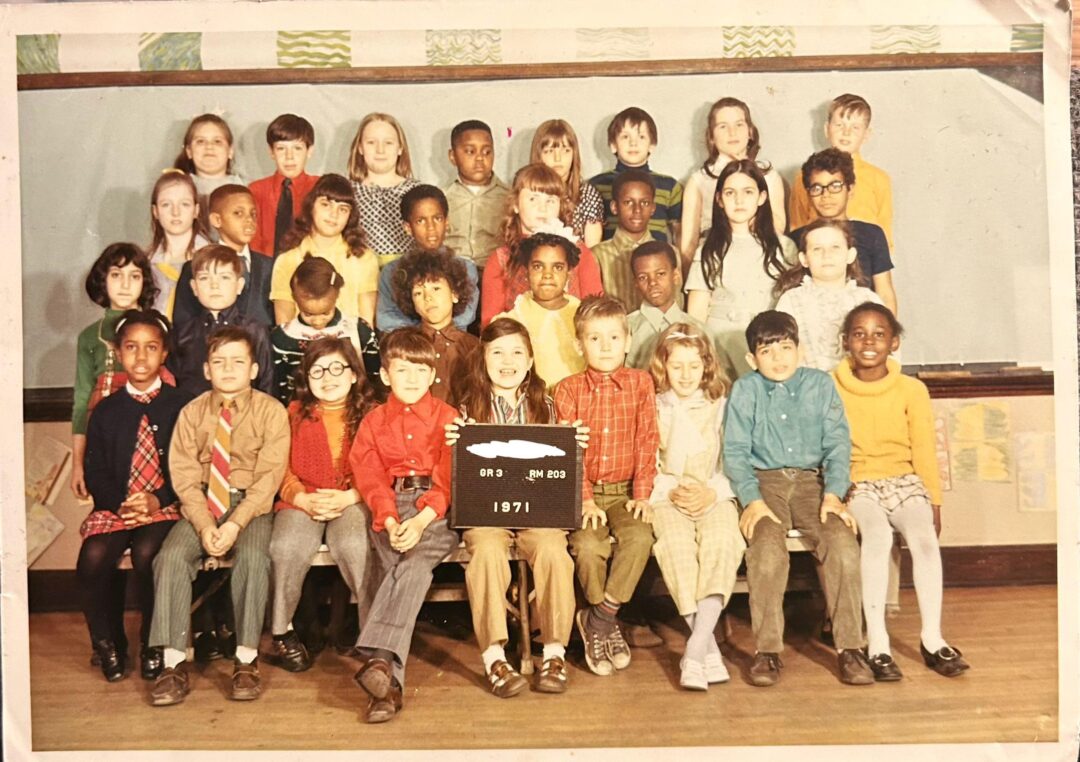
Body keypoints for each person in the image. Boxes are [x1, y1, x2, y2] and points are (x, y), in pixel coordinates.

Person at [722, 310, 872, 687]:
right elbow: (735, 452)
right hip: (765, 484)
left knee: (842, 544)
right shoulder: (745, 390)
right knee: (767, 550)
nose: (778, 359)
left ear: (800, 350)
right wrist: (752, 500)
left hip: (811, 483)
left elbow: (837, 444)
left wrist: (833, 495)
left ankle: (851, 647)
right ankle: (768, 651)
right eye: (767, 351)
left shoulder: (820, 385)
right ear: (751, 359)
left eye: (786, 348)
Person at [149, 327, 291, 706]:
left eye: (238, 362)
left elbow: (268, 480)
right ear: (206, 369)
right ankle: (173, 663)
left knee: (254, 557)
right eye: (219, 362)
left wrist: (234, 524)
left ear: (254, 369)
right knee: (170, 558)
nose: (228, 369)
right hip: (201, 504)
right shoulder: (192, 413)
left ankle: (245, 659)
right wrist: (204, 524)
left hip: (251, 507)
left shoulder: (271, 412)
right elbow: (183, 477)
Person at [445, 317, 582, 697]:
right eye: (498, 353)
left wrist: (575, 444)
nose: (508, 362)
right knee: (487, 553)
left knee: (554, 552)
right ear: (483, 359)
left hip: (537, 510)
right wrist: (452, 442)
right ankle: (494, 657)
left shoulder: (548, 406)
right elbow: (459, 471)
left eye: (517, 352)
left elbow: (560, 467)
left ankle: (554, 652)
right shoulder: (465, 409)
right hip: (487, 513)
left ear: (531, 360)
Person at [833, 302, 969, 680]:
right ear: (845, 342)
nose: (869, 342)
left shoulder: (912, 389)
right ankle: (877, 644)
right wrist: (838, 492)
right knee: (876, 538)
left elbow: (924, 448)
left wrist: (934, 501)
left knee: (924, 539)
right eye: (859, 334)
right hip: (859, 484)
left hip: (905, 481)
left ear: (894, 343)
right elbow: (829, 445)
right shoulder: (830, 386)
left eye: (879, 334)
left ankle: (932, 639)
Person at [348, 328, 461, 723]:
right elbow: (369, 475)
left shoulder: (449, 418)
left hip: (439, 512)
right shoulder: (374, 421)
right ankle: (387, 687)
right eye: (402, 369)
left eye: (420, 370)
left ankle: (380, 662)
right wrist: (391, 518)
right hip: (391, 505)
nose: (412, 378)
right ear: (385, 375)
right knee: (388, 566)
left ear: (433, 374)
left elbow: (450, 477)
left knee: (411, 566)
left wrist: (422, 519)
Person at [78, 309, 192, 682]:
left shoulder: (181, 405)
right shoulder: (106, 410)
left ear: (164, 353)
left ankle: (152, 643)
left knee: (148, 554)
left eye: (151, 348)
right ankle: (107, 643)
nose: (141, 357)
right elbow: (95, 469)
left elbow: (191, 466)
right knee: (94, 556)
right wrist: (121, 506)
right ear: (118, 352)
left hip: (166, 505)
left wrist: (158, 499)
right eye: (131, 347)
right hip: (118, 506)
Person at [554, 296, 659, 677]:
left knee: (640, 538)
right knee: (588, 546)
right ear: (579, 344)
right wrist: (584, 500)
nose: (605, 346)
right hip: (585, 495)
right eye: (594, 338)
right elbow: (568, 452)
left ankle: (599, 618)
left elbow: (647, 440)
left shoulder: (641, 383)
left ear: (628, 341)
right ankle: (604, 624)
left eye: (614, 337)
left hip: (626, 492)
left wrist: (642, 494)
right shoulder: (567, 390)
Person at [267, 337, 379, 673]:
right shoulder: (292, 414)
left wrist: (352, 496)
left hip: (353, 497)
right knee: (285, 546)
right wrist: (300, 497)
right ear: (306, 378)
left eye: (336, 368)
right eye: (317, 371)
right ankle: (282, 631)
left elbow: (381, 467)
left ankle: (372, 631)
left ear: (353, 374)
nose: (327, 378)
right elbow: (280, 467)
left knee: (355, 545)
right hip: (305, 498)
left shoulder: (372, 415)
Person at [647, 323, 744, 690]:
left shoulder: (721, 404)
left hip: (713, 491)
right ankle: (709, 651)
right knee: (676, 548)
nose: (686, 375)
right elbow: (648, 462)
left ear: (706, 366)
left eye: (694, 365)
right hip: (668, 494)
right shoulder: (654, 405)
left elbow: (734, 460)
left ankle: (695, 647)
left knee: (722, 542)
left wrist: (712, 492)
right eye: (677, 366)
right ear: (663, 366)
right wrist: (670, 489)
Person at [685, 159, 796, 377]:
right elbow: (696, 316)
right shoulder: (708, 249)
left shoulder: (784, 247)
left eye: (748, 192)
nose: (739, 200)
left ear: (762, 197)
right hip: (721, 346)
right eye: (730, 193)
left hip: (768, 346)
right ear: (719, 199)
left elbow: (794, 307)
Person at [71, 243, 160, 500]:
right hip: (103, 437)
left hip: (146, 433)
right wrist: (77, 464)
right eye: (116, 275)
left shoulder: (157, 329)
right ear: (103, 280)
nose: (125, 284)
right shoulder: (89, 337)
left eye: (134, 276)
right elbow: (81, 401)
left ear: (144, 282)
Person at [480, 163, 603, 326]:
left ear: (561, 206)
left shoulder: (580, 253)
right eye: (533, 199)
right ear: (515, 204)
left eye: (550, 200)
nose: (542, 208)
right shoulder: (500, 259)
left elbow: (595, 314)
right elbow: (490, 324)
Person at [680, 98, 786, 270]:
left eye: (739, 125)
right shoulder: (699, 181)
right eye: (723, 126)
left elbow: (778, 226)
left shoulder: (768, 176)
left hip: (759, 258)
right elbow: (689, 242)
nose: (732, 132)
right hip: (714, 259)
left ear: (750, 132)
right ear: (711, 136)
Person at [789, 148, 898, 315]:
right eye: (817, 188)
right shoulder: (797, 238)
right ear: (808, 194)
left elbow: (885, 292)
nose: (826, 195)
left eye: (835, 186)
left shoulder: (871, 234)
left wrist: (887, 328)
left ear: (850, 190)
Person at [270, 173, 379, 327]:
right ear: (311, 206)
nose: (334, 215)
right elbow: (284, 326)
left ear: (350, 216)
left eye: (343, 209)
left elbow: (366, 323)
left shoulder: (363, 258)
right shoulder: (288, 260)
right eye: (326, 205)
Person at [774, 219, 883, 371]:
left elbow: (887, 351)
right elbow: (780, 352)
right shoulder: (790, 301)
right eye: (817, 249)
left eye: (835, 247)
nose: (826, 255)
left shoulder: (868, 300)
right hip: (808, 383)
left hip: (859, 384)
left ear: (850, 255)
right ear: (804, 259)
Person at [788, 94, 894, 248]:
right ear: (827, 129)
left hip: (863, 258)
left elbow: (884, 237)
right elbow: (797, 228)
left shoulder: (878, 179)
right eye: (839, 125)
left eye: (855, 127)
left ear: (866, 134)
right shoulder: (805, 177)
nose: (846, 132)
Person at [270, 256, 380, 404]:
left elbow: (374, 379)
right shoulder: (282, 338)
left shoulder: (358, 330)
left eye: (325, 313)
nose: (317, 321)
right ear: (294, 298)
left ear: (337, 296)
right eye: (308, 314)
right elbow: (279, 387)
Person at [167, 245, 273, 396]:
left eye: (224, 277)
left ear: (239, 285)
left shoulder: (254, 331)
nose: (214, 285)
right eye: (204, 278)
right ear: (194, 287)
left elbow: (267, 383)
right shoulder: (182, 333)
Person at [376, 184, 480, 332]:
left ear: (446, 222)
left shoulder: (466, 268)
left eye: (437, 218)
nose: (431, 228)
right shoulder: (391, 272)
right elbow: (387, 320)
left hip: (452, 341)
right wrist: (422, 333)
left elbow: (464, 317)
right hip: (408, 343)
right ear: (408, 227)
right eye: (420, 221)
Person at [173, 184, 274, 329]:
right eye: (238, 213)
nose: (249, 220)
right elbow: (183, 323)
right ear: (217, 220)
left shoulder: (270, 266)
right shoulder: (194, 267)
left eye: (253, 214)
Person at [493, 233, 585, 389]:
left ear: (568, 273)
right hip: (532, 399)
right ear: (527, 272)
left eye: (557, 267)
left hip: (578, 398)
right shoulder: (513, 320)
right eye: (538, 266)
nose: (547, 275)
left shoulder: (583, 315)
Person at [625, 240, 728, 374]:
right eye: (643, 277)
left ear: (676, 276)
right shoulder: (626, 328)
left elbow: (712, 377)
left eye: (660, 274)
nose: (652, 283)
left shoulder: (699, 330)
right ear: (636, 283)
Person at [389, 250, 478, 406]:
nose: (428, 298)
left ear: (454, 294)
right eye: (418, 293)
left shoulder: (474, 347)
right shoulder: (401, 346)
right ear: (411, 303)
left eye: (436, 288)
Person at [588, 106, 683, 244]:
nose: (633, 143)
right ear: (613, 145)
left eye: (641, 137)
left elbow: (679, 232)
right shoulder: (597, 185)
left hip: (656, 256)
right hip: (613, 255)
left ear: (652, 145)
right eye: (625, 137)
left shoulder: (669, 186)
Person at [346, 112, 421, 267]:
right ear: (360, 148)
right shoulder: (347, 192)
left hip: (407, 273)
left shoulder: (417, 192)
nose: (380, 150)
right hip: (358, 273)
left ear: (400, 148)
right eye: (371, 142)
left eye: (388, 143)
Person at [248, 113, 321, 257]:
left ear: (309, 151)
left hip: (310, 263)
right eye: (281, 148)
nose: (289, 157)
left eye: (297, 148)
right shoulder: (256, 190)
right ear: (271, 152)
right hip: (264, 265)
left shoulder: (320, 188)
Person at [442, 119, 509, 269]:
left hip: (495, 271)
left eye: (487, 152)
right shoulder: (442, 198)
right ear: (452, 156)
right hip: (453, 271)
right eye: (470, 151)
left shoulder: (509, 197)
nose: (480, 158)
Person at [591, 169, 659, 310]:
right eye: (628, 202)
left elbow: (675, 307)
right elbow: (592, 308)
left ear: (653, 208)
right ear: (614, 207)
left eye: (645, 203)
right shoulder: (597, 256)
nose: (637, 210)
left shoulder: (669, 253)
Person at [530, 118, 604, 247]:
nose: (558, 158)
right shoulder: (528, 192)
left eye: (565, 151)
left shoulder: (587, 194)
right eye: (549, 151)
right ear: (538, 155)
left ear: (574, 154)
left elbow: (593, 250)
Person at [146, 170, 210, 318]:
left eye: (185, 204)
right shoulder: (146, 263)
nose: (176, 212)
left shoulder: (213, 259)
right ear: (155, 211)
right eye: (166, 204)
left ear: (196, 210)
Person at [171, 113, 244, 236]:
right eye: (200, 141)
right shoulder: (178, 188)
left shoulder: (244, 188)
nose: (209, 147)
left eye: (217, 141)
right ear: (189, 151)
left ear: (230, 151)